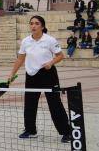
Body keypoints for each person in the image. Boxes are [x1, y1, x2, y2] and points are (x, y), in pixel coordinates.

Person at [6, 15, 71, 143]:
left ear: (42, 26)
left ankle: (66, 132)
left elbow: (60, 56)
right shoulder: (25, 41)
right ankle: (31, 130)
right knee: (29, 104)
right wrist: (11, 74)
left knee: (55, 104)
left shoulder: (50, 40)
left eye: (36, 23)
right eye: (31, 23)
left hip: (48, 74)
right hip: (31, 75)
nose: (33, 26)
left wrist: (51, 62)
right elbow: (20, 59)